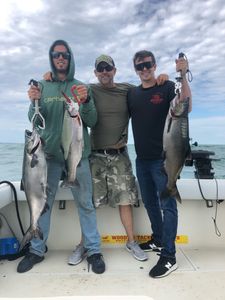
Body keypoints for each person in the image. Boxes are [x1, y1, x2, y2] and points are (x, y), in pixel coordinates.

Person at [65, 55, 169, 264]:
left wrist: (162, 78)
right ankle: (84, 244)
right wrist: (49, 77)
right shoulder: (89, 89)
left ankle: (131, 241)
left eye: (108, 68)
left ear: (114, 70)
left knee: (125, 201)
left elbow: (147, 88)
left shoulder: (128, 90)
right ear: (95, 72)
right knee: (89, 203)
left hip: (120, 155)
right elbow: (68, 87)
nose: (104, 72)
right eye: (100, 69)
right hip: (94, 156)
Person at [17, 40, 105, 274]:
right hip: (49, 158)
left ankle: (93, 250)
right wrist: (33, 101)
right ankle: (36, 249)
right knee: (43, 204)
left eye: (64, 54)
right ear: (51, 58)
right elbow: (34, 121)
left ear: (70, 57)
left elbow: (92, 121)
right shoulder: (43, 85)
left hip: (78, 157)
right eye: (56, 55)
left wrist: (85, 102)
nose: (60, 58)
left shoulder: (80, 86)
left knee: (85, 204)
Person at [127, 50, 192, 278]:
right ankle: (157, 239)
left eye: (148, 65)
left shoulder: (166, 88)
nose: (144, 69)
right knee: (150, 203)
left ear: (154, 65)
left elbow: (185, 105)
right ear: (135, 69)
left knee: (168, 206)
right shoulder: (131, 94)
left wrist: (182, 74)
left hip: (164, 161)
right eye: (140, 66)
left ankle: (169, 256)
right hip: (141, 160)